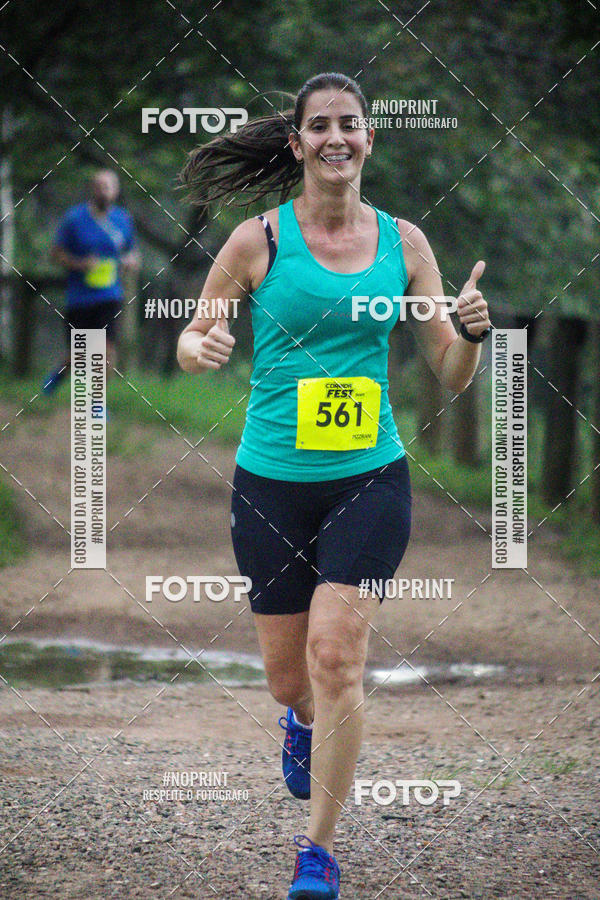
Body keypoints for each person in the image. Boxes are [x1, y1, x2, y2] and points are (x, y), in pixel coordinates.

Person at [177, 72, 490, 900]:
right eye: (321, 126)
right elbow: (196, 332)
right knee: (292, 681)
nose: (337, 138)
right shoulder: (258, 241)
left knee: (335, 657)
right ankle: (298, 721)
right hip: (272, 484)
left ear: (370, 138)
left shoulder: (405, 244)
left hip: (369, 479)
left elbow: (449, 374)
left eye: (351, 123)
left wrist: (470, 336)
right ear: (299, 143)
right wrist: (196, 349)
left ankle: (316, 852)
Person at [43, 169, 140, 394]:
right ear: (92, 190)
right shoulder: (74, 219)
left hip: (110, 295)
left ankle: (96, 402)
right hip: (79, 297)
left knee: (106, 349)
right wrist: (80, 264)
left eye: (109, 187)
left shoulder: (122, 219)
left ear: (116, 191)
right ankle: (58, 374)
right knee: (80, 352)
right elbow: (55, 254)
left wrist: (129, 261)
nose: (104, 192)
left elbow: (133, 253)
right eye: (99, 187)